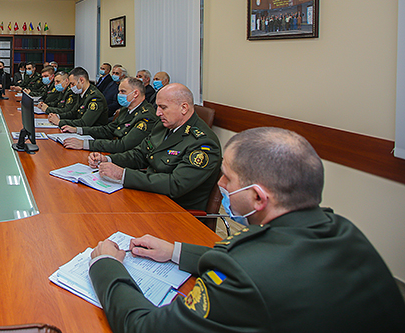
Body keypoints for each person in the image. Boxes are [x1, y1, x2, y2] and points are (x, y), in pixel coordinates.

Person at [88, 127, 405, 332]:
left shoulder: (242, 272)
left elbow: (144, 328)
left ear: (258, 197)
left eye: (227, 177)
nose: (220, 184)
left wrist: (107, 266)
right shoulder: (344, 230)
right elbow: (263, 261)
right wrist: (175, 252)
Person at [88, 83, 220, 210]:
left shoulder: (203, 143)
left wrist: (123, 175)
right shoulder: (163, 126)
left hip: (176, 210)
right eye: (157, 107)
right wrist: (108, 159)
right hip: (150, 196)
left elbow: (175, 184)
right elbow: (139, 155)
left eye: (163, 107)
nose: (158, 113)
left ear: (184, 108)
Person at [60, 77, 159, 153]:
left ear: (135, 93)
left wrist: (85, 144)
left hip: (126, 159)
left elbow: (123, 145)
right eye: (119, 91)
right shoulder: (126, 109)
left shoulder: (146, 116)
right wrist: (77, 130)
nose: (119, 95)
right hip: (114, 153)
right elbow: (108, 130)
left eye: (123, 91)